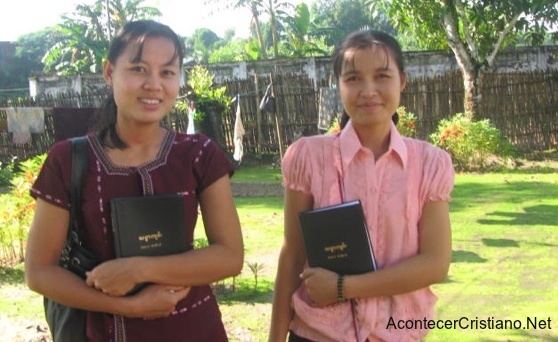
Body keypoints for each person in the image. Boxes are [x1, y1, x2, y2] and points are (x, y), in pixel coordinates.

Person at [25, 20, 243, 341]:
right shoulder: (68, 159)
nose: (154, 84)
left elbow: (229, 255)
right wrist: (131, 307)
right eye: (139, 69)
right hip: (101, 331)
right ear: (110, 72)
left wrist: (140, 269)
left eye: (167, 72)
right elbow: (39, 272)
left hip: (192, 327)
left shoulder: (199, 154)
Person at [269, 30, 454, 342]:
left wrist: (343, 287)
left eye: (382, 76)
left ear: (403, 81)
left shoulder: (429, 164)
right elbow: (292, 255)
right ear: (337, 84)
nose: (368, 90)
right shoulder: (309, 157)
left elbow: (435, 264)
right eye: (353, 78)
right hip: (318, 333)